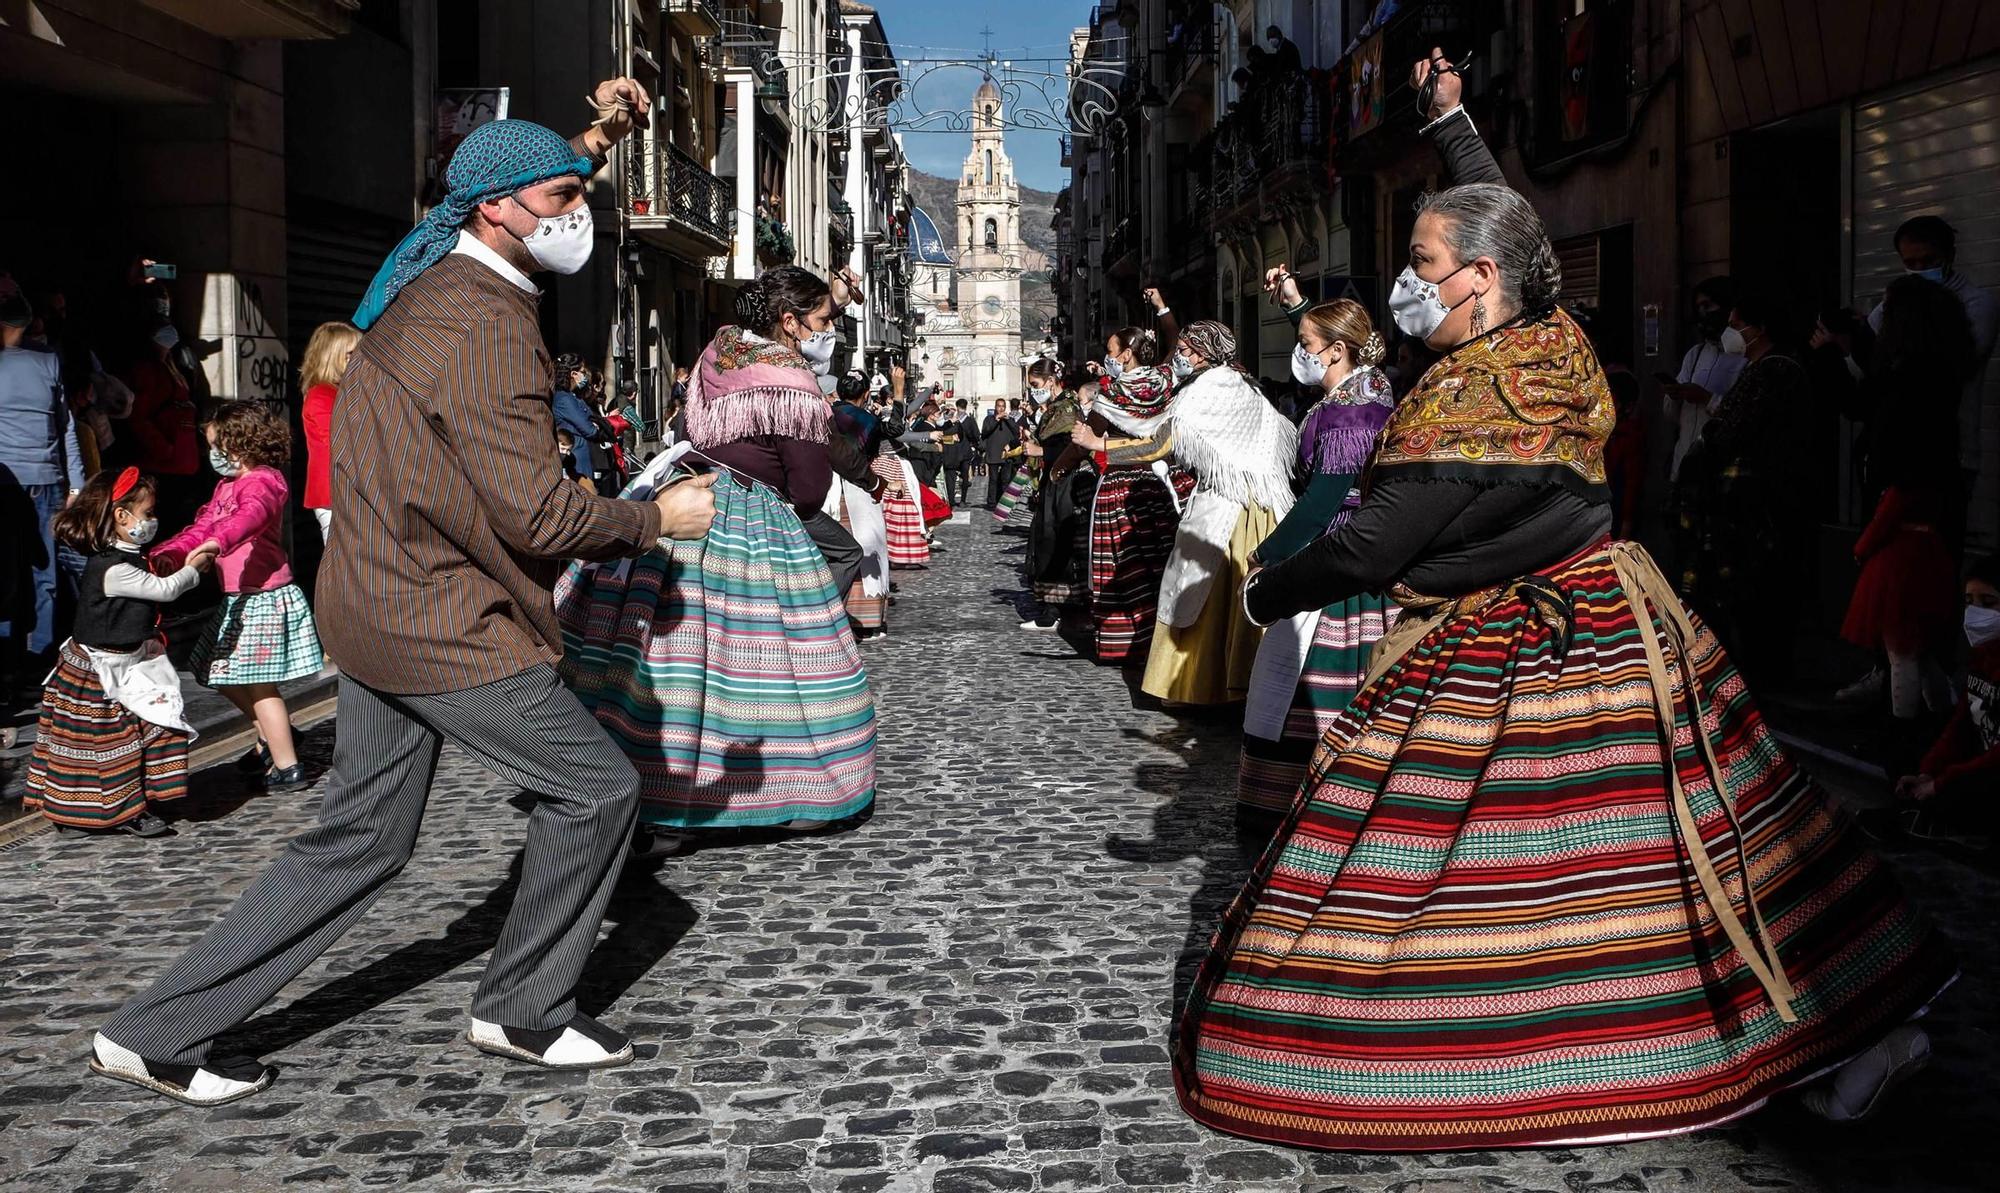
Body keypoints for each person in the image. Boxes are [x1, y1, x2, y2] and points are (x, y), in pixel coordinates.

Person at [1174, 49, 1955, 1151]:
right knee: (1707, 851)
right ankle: (1851, 1032)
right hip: (1630, 632)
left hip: (1505, 650)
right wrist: (1452, 129)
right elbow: (1518, 231)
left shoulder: (1465, 401)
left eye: (1420, 261)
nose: (1406, 280)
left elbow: (1372, 545)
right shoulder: (1554, 344)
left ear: (1475, 280)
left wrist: (1264, 586)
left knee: (1471, 880)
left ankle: (1523, 1057)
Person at [92, 92, 723, 1105]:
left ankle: (155, 1027)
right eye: (562, 196)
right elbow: (541, 516)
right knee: (597, 787)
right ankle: (523, 1005)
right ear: (496, 211)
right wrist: (660, 519)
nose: (579, 214)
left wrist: (591, 142)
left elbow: (482, 188)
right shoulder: (482, 324)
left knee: (364, 834)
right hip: (441, 620)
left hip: (372, 600)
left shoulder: (425, 277)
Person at [558, 264, 875, 852]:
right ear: (790, 321)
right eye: (825, 320)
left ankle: (643, 785)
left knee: (667, 660)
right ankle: (784, 787)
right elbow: (807, 489)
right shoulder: (790, 379)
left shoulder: (718, 355)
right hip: (750, 523)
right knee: (763, 659)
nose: (829, 329)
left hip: (684, 497)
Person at [1237, 281, 1397, 814]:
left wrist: (1271, 552)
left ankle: (1306, 802)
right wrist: (1293, 303)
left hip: (1336, 558)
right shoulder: (1358, 390)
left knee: (1300, 681)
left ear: (1336, 350)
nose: (1298, 352)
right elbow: (1324, 330)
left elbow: (1328, 494)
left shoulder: (1352, 412)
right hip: (1338, 550)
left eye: (1306, 343)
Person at [25, 467, 218, 837]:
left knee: (147, 730)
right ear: (121, 516)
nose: (153, 521)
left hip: (126, 661)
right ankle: (118, 812)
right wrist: (194, 569)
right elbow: (165, 591)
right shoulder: (112, 568)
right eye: (147, 514)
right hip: (98, 671)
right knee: (113, 745)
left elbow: (152, 580)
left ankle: (124, 803)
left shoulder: (128, 558)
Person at [1835, 275, 1974, 763]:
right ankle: (1942, 728)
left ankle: (1905, 734)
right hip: (1929, 524)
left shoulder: (1909, 382)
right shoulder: (1938, 373)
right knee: (1920, 645)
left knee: (1902, 648)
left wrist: (1866, 542)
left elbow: (1898, 465)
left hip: (1903, 527)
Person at [149, 401, 322, 790]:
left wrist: (215, 544)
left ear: (240, 443)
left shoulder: (265, 481)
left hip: (264, 595)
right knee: (214, 670)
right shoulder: (226, 486)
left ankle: (287, 766)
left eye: (217, 445)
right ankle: (274, 737)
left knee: (259, 685)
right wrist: (168, 555)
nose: (213, 454)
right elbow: (204, 525)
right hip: (238, 597)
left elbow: (250, 518)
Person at [1138, 320, 1296, 706]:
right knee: (1244, 603)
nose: (1179, 355)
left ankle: (1194, 687)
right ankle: (1244, 688)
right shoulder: (1245, 385)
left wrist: (1103, 447)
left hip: (1225, 508)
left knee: (1201, 591)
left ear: (1202, 353)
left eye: (1185, 348)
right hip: (1262, 511)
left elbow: (1161, 444)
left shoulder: (1207, 389)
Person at [1673, 288, 1811, 681]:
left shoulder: (1777, 369)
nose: (1730, 332)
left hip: (1757, 504)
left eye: (1736, 325)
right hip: (1744, 502)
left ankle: (1760, 673)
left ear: (1760, 327)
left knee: (1755, 592)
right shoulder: (1759, 367)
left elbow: (1735, 431)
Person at [1862, 215, 1998, 528]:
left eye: (1929, 261)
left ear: (1949, 256)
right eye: (1911, 263)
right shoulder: (1894, 303)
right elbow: (1871, 359)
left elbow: (1949, 367)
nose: (1920, 271)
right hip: (1898, 454)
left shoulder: (1976, 304)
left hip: (1952, 454)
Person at [1067, 325, 1191, 663]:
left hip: (1123, 486)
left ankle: (1129, 642)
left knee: (1125, 563)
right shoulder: (1167, 383)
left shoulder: (1110, 396)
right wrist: (1163, 308)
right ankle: (1168, 637)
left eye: (1111, 350)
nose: (1107, 357)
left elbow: (1088, 438)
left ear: (1126, 354)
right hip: (1168, 483)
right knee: (1164, 559)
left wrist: (1060, 467)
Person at [1, 278, 84, 687]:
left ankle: (22, 658)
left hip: (19, 482)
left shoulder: (48, 359)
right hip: (40, 481)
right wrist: (76, 482)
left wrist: (76, 484)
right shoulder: (49, 360)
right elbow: (66, 426)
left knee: (21, 575)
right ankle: (35, 657)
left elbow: (64, 424)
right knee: (41, 577)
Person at [1888, 559, 2000, 848]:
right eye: (1969, 602)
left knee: (1955, 794)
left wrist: (1941, 783)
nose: (1976, 614)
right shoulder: (1982, 657)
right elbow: (1961, 724)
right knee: (1900, 754)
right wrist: (1928, 771)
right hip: (1978, 764)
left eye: (1988, 603)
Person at [1021, 367, 1092, 631]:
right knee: (1048, 539)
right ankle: (1052, 607)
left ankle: (1058, 610)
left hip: (1065, 484)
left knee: (1057, 539)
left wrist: (1040, 450)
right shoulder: (1055, 408)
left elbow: (1073, 447)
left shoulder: (1067, 408)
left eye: (1037, 383)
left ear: (1051, 381)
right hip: (1052, 482)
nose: (1033, 389)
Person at [1662, 275, 1746, 486]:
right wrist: (1675, 395)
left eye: (1708, 305)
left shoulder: (1745, 357)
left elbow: (1742, 417)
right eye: (1698, 307)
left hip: (1720, 475)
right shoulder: (1696, 354)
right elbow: (1671, 415)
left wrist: (1707, 398)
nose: (1703, 314)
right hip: (1684, 468)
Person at [121, 318, 201, 528]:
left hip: (180, 460)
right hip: (165, 463)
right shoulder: (148, 371)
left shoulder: (171, 365)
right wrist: (164, 449)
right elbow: (138, 417)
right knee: (168, 521)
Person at [299, 322, 362, 543]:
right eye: (350, 354)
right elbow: (340, 440)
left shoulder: (339, 391)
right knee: (343, 563)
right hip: (335, 493)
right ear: (333, 356)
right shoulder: (321, 395)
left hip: (345, 489)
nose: (358, 359)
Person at [982, 398, 1021, 509]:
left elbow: (1016, 432)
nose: (1001, 408)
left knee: (1005, 480)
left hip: (1006, 454)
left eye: (1003, 406)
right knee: (993, 480)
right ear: (995, 407)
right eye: (999, 406)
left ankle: (1004, 503)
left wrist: (1008, 420)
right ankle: (991, 503)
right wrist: (996, 419)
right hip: (993, 454)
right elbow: (985, 432)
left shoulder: (1010, 420)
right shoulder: (989, 419)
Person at [942, 397, 977, 506]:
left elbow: (944, 432)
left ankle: (951, 500)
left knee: (950, 476)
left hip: (952, 451)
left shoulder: (951, 419)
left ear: (957, 407)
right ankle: (963, 500)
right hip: (966, 451)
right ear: (966, 407)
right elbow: (975, 435)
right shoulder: (970, 420)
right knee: (965, 476)